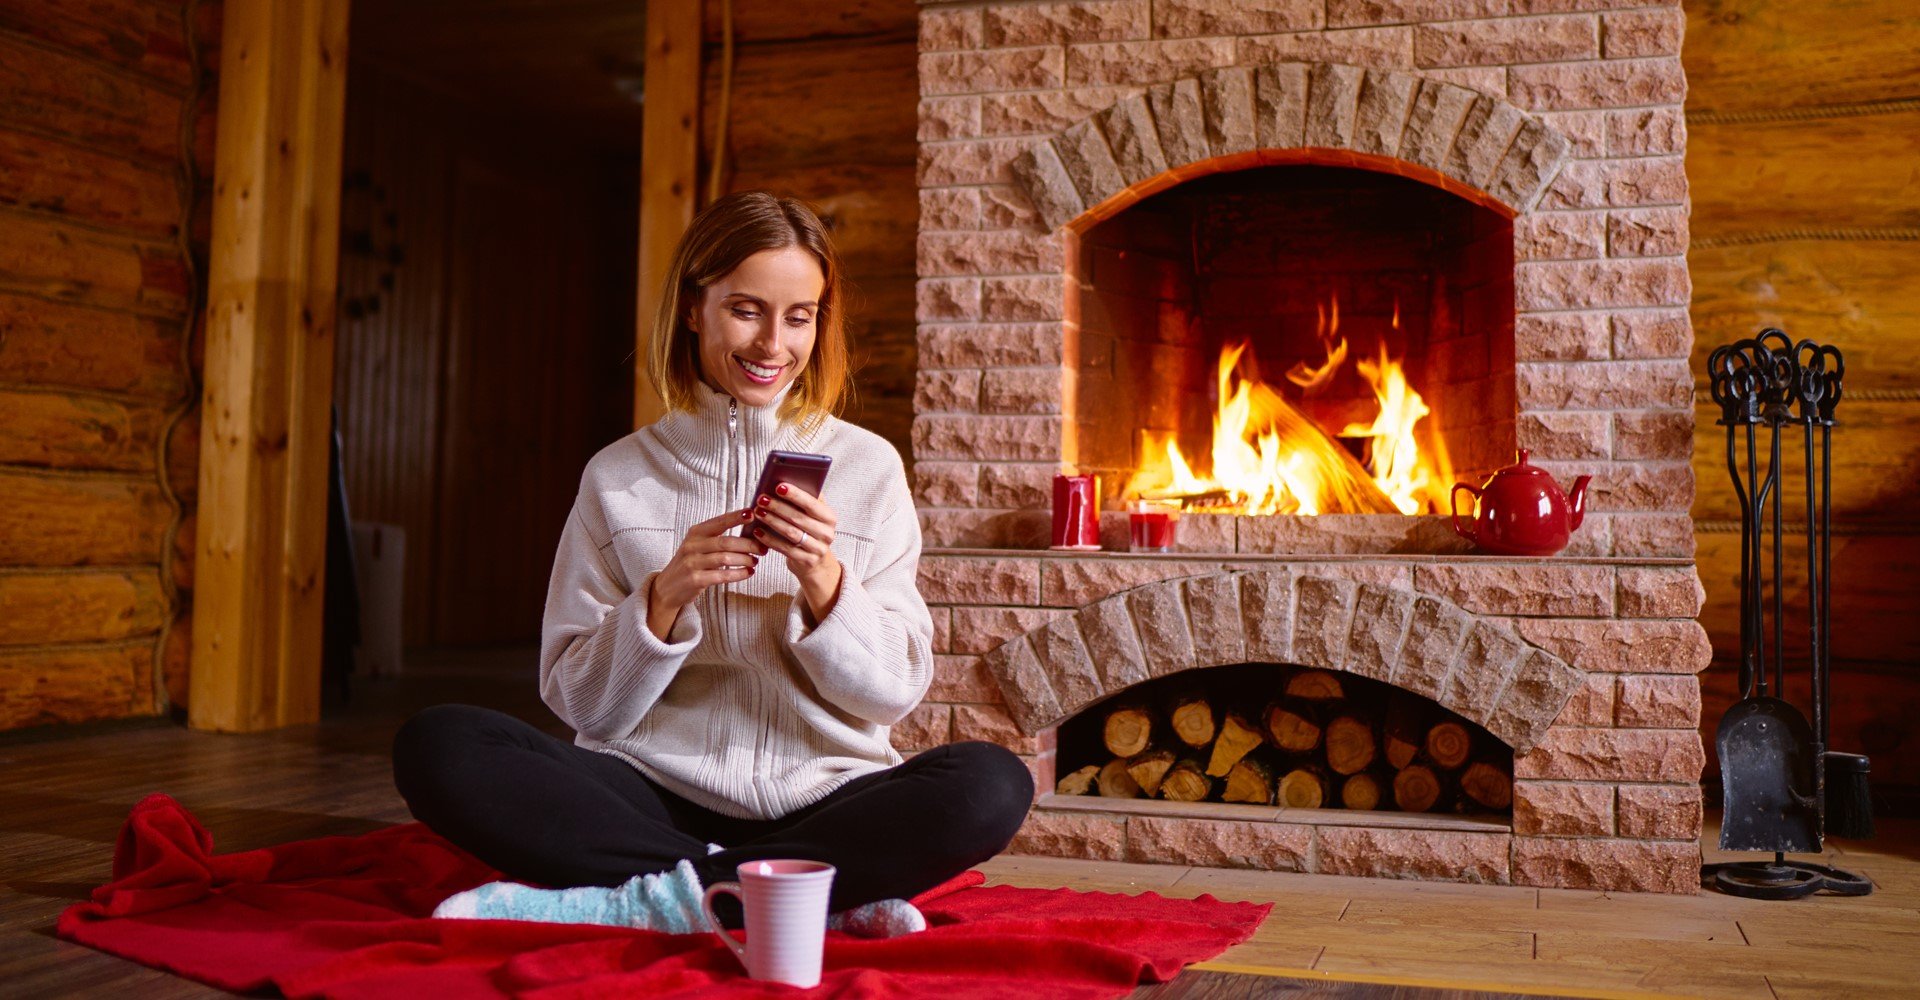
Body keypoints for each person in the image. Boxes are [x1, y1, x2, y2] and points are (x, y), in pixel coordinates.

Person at [390, 191, 1034, 937]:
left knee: (991, 784)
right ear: (694, 308)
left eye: (800, 316)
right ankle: (805, 893)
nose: (773, 345)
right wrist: (662, 598)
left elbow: (892, 695)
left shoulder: (870, 467)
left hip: (826, 791)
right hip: (648, 791)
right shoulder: (617, 476)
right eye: (746, 309)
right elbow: (580, 705)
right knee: (439, 745)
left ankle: (645, 901)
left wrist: (825, 585)